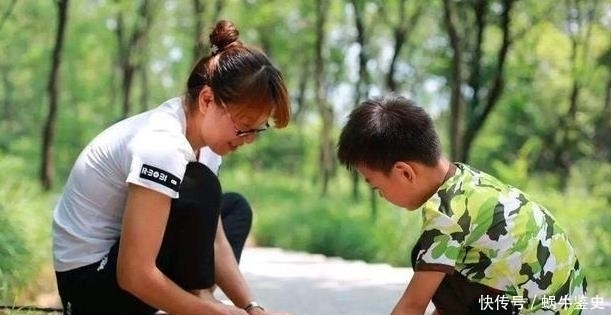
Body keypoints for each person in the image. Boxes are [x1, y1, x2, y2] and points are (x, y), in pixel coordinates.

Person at [52, 20, 291, 315]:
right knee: (199, 186)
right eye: (244, 127)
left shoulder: (205, 147)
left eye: (258, 130)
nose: (250, 140)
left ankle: (200, 299)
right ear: (207, 100)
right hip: (91, 288)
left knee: (234, 208)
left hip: (120, 272)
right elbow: (133, 274)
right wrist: (217, 312)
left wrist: (251, 307)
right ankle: (200, 303)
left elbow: (214, 242)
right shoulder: (161, 145)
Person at [336, 94, 587, 315]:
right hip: (564, 301)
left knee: (428, 258)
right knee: (443, 267)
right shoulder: (467, 180)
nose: (381, 195)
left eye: (377, 187)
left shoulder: (445, 216)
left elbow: (412, 307)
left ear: (405, 173)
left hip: (537, 307)